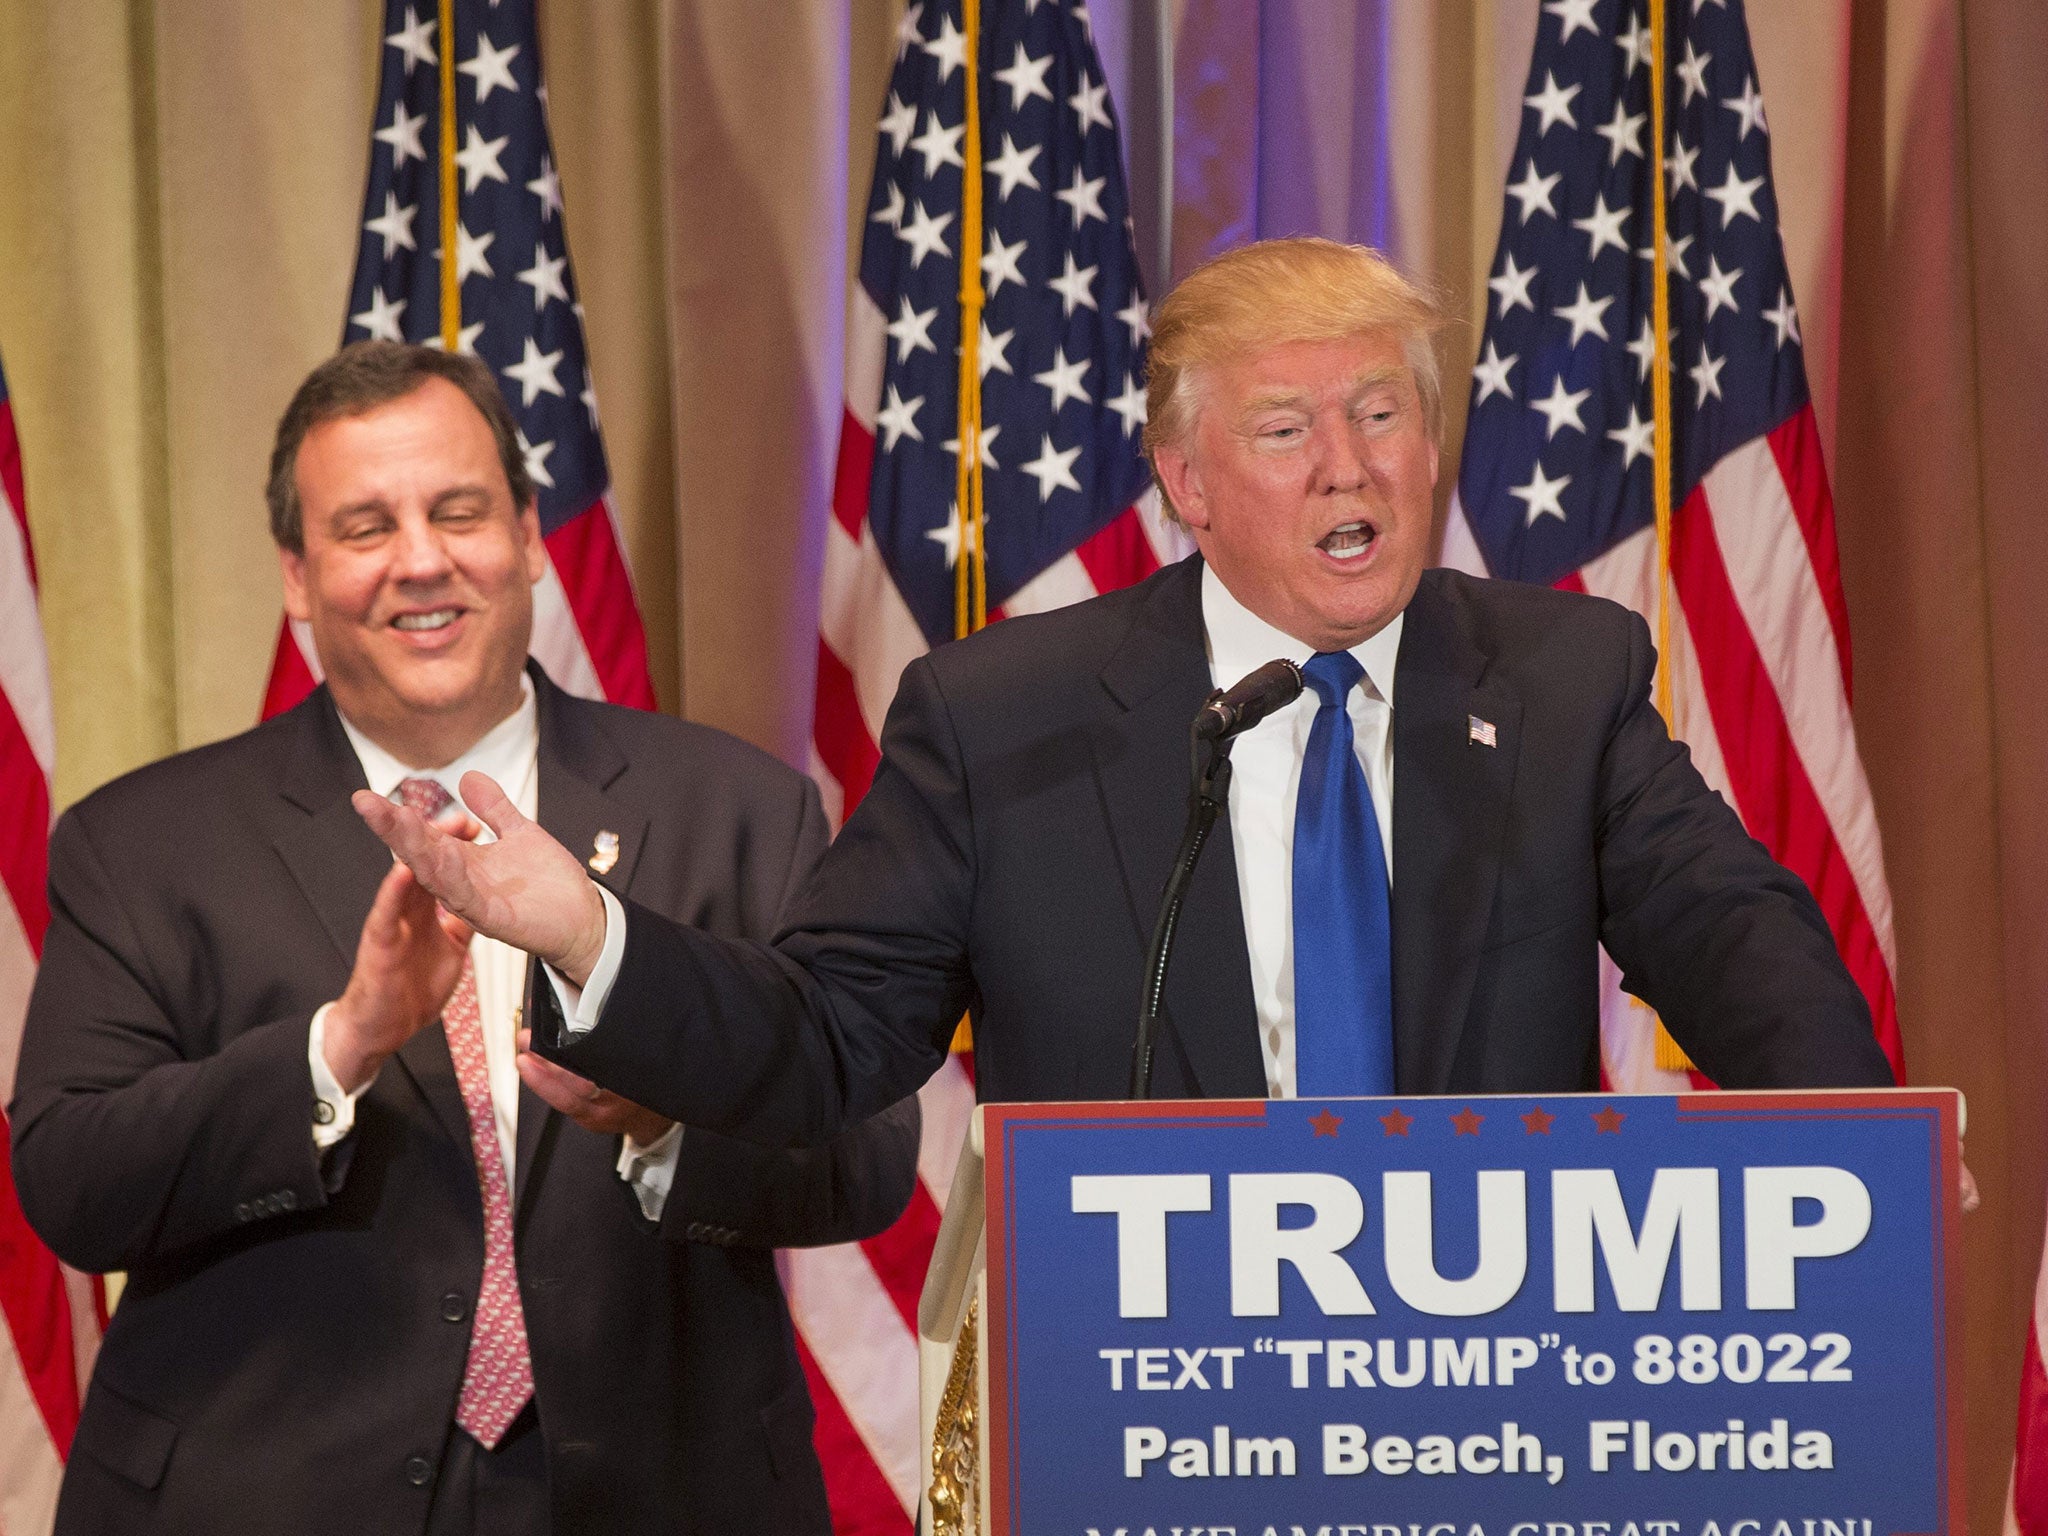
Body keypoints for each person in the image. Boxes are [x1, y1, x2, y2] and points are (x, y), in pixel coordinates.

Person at [357, 236, 1894, 1152]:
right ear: (1185, 483)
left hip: (1483, 1409)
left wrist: (1861, 1161)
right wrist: (584, 934)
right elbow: (831, 1033)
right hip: (1156, 1408)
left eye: (1381, 416)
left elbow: (1735, 937)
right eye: (1287, 429)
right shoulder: (1000, 715)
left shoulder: (1563, 677)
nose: (1350, 466)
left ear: (1432, 447)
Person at [9, 342, 919, 1536]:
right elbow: (72, 1182)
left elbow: (865, 1154)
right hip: (264, 1495)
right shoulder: (145, 842)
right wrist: (342, 1044)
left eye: (458, 512)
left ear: (532, 536)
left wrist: (656, 1108)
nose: (421, 561)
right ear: (296, 573)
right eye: (365, 526)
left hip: (660, 1496)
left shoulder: (736, 810)